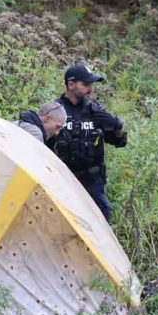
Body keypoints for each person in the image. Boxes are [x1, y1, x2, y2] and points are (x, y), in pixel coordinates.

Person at [48, 63, 127, 222]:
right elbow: (40, 143)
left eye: (91, 85)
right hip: (62, 180)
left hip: (92, 183)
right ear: (70, 85)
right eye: (85, 84)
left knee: (101, 225)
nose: (90, 89)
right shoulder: (54, 111)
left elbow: (120, 141)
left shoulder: (95, 111)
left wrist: (116, 126)